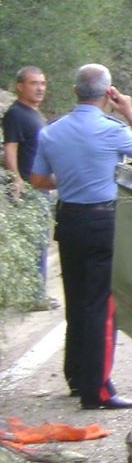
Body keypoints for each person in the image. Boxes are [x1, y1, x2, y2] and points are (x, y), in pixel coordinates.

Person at [29, 64, 132, 410]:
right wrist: (129, 110)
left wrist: (71, 180)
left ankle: (77, 377)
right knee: (101, 307)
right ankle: (98, 390)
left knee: (77, 301)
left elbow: (37, 179)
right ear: (108, 93)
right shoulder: (114, 130)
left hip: (68, 220)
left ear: (75, 91)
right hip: (103, 222)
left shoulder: (52, 132)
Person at [3, 66, 56, 309]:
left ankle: (31, 293)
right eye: (34, 83)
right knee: (34, 242)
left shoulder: (34, 113)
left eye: (43, 83)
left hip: (39, 186)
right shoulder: (16, 114)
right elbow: (10, 148)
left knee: (38, 241)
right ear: (20, 86)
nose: (40, 88)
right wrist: (16, 179)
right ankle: (33, 297)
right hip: (28, 188)